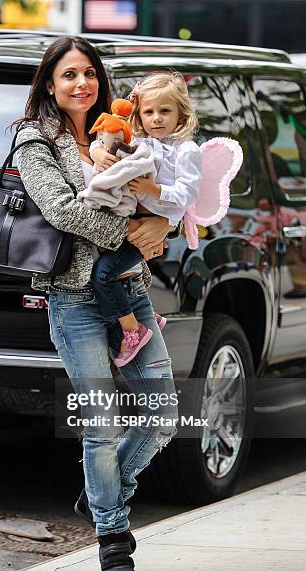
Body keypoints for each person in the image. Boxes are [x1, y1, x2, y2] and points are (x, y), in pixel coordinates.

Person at [14, 36, 178, 571]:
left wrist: (165, 225)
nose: (80, 83)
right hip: (75, 300)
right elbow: (60, 209)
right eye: (68, 75)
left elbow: (163, 194)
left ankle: (103, 494)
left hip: (131, 293)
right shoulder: (35, 139)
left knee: (162, 416)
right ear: (50, 85)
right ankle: (112, 538)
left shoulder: (128, 130)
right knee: (101, 430)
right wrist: (133, 235)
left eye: (88, 72)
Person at [89, 72, 202, 367]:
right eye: (148, 111)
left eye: (165, 111)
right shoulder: (140, 141)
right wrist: (99, 152)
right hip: (127, 218)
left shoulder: (186, 150)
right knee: (109, 270)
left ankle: (134, 331)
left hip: (150, 225)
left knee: (104, 274)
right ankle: (147, 316)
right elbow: (108, 141)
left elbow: (188, 194)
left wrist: (155, 190)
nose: (156, 118)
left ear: (181, 113)